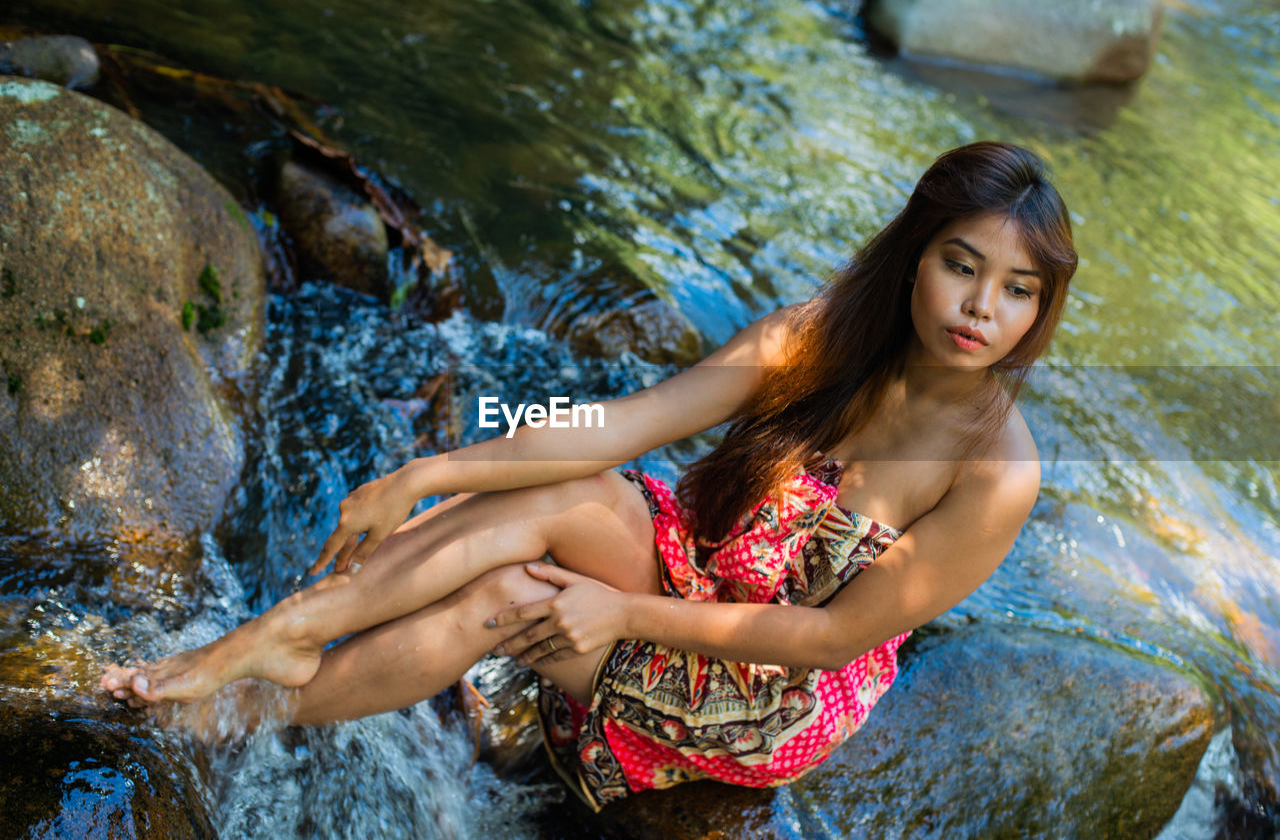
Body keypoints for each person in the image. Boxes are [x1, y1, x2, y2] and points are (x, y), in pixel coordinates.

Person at [101, 141, 1076, 810]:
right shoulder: (817, 338)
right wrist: (424, 474)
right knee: (564, 486)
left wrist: (620, 616)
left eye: (1017, 289)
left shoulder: (994, 471)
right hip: (705, 562)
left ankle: (246, 709)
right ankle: (285, 631)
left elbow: (827, 637)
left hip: (773, 683)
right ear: (914, 255)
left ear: (1040, 305)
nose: (980, 307)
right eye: (959, 265)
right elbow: (624, 422)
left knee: (501, 597)